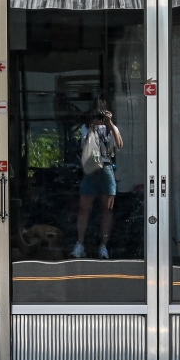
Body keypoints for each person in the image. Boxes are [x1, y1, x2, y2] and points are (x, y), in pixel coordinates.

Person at [74, 100, 124, 259]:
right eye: (97, 116)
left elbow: (119, 145)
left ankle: (104, 246)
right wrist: (92, 127)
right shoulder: (86, 128)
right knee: (84, 209)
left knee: (107, 210)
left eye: (102, 116)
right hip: (91, 169)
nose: (100, 119)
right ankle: (80, 243)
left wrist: (110, 124)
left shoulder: (111, 128)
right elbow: (84, 146)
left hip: (106, 167)